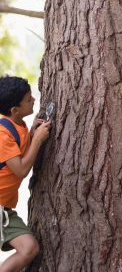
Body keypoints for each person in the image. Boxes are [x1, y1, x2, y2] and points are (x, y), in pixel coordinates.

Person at [0, 76, 51, 272]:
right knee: (28, 249)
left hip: (5, 209)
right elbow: (21, 169)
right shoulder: (2, 135)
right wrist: (37, 141)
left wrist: (31, 135)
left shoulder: (18, 124)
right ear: (15, 110)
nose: (34, 101)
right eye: (29, 99)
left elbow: (19, 151)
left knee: (29, 248)